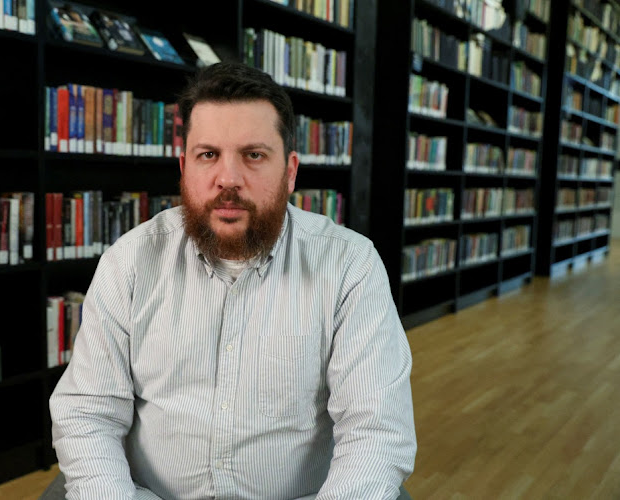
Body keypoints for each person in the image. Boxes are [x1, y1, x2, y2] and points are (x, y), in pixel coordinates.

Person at [49, 62, 417, 499]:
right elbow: (88, 414)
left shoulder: (349, 267)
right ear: (184, 166)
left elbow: (375, 431)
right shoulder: (128, 263)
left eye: (254, 155)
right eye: (209, 155)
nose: (228, 179)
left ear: (291, 171)